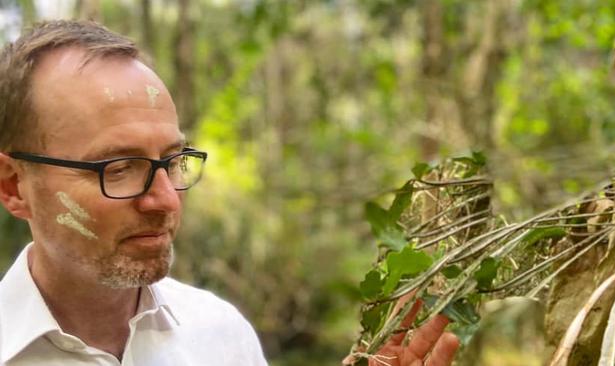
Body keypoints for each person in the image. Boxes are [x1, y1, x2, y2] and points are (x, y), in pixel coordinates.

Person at [0, 20, 458, 365]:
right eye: (118, 169)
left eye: (173, 161)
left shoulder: (219, 332)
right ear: (13, 185)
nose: (166, 200)